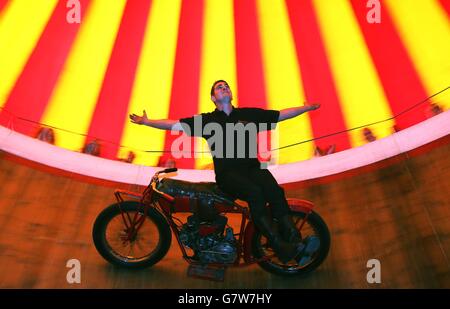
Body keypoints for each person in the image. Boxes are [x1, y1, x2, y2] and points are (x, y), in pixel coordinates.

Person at [129, 80, 320, 263]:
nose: (224, 87)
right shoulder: (207, 120)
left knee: (275, 190)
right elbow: (174, 124)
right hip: (228, 175)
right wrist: (147, 122)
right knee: (256, 193)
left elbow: (279, 115)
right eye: (219, 87)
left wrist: (306, 108)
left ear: (231, 94)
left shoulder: (248, 114)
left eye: (226, 86)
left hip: (253, 167)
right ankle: (282, 247)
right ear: (213, 98)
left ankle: (295, 241)